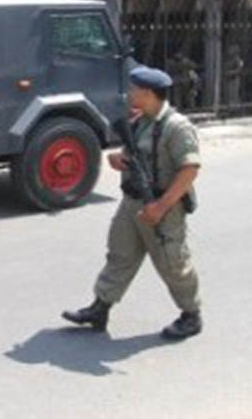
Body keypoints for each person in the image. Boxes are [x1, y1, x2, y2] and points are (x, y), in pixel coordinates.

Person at [62, 66, 203, 340]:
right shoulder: (141, 121)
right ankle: (100, 308)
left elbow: (190, 169)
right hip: (132, 202)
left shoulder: (177, 127)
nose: (130, 93)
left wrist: (161, 207)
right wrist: (118, 159)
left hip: (162, 206)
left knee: (173, 262)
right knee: (120, 255)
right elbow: (132, 153)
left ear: (149, 93)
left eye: (135, 89)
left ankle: (191, 315)